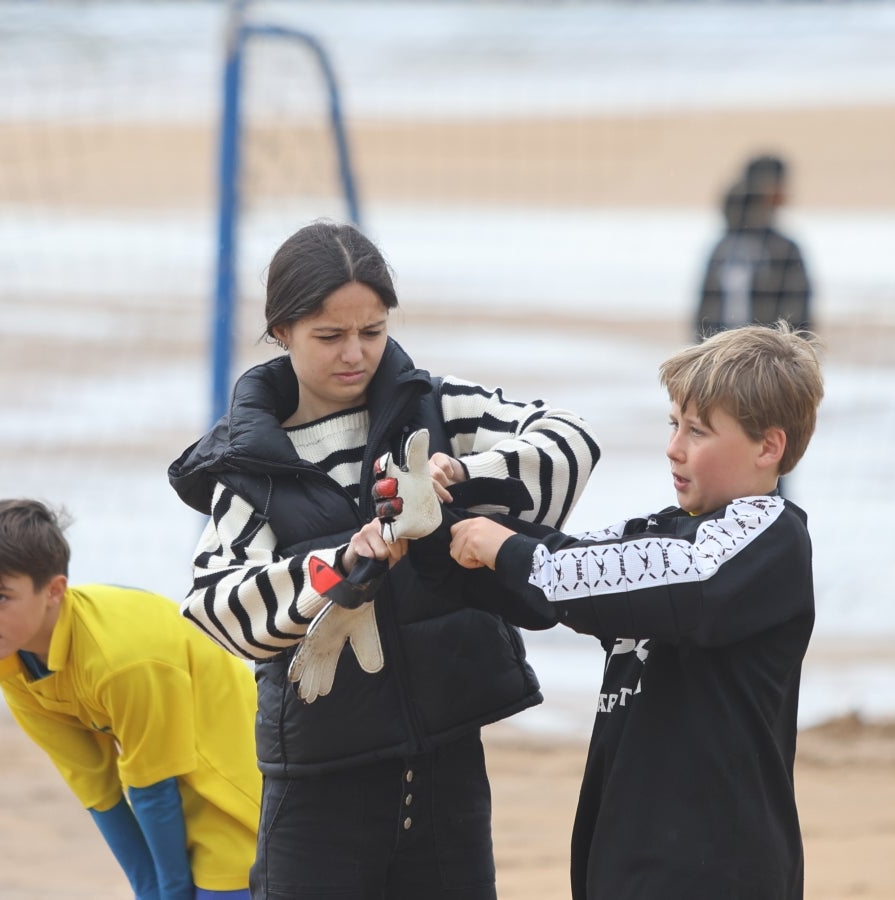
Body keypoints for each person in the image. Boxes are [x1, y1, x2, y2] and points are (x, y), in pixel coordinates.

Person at [166, 220, 602, 899]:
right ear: (281, 331)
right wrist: (336, 569)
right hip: (317, 787)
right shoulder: (248, 467)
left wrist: (463, 474)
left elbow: (571, 440)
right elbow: (215, 604)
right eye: (329, 336)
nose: (356, 354)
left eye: (372, 331)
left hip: (447, 767)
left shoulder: (437, 406)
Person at [438, 323, 824, 899]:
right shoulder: (662, 534)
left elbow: (655, 577)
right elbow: (566, 568)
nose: (674, 447)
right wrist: (444, 521)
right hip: (625, 859)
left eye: (698, 430)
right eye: (674, 424)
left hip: (721, 871)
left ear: (768, 447)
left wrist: (507, 550)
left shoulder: (772, 539)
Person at [0, 498, 262, 900]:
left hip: (232, 783)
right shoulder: (11, 662)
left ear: (54, 590)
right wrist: (149, 891)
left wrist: (171, 894)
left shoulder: (118, 661)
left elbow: (152, 789)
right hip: (169, 782)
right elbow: (99, 792)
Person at [696, 154, 812, 342]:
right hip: (766, 353)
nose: (786, 193)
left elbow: (704, 315)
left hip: (737, 352)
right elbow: (798, 317)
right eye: (780, 185)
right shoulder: (782, 249)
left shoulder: (724, 247)